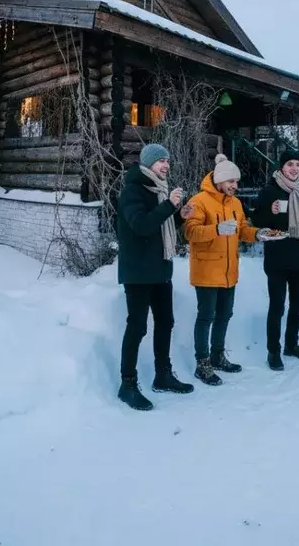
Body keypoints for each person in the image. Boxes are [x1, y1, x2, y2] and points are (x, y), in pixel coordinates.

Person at [184, 154, 276, 385]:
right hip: (206, 271)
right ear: (220, 180)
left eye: (236, 182)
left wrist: (257, 234)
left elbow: (242, 229)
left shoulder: (235, 204)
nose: (235, 186)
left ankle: (217, 356)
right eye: (231, 182)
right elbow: (190, 233)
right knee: (206, 317)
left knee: (224, 315)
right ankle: (202, 363)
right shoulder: (199, 201)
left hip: (229, 271)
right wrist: (216, 229)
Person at [116, 143, 194, 411]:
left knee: (166, 322)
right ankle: (127, 384)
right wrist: (169, 207)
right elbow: (141, 226)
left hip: (160, 269)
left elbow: (162, 227)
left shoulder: (159, 190)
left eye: (167, 161)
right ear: (147, 164)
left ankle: (163, 375)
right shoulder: (133, 191)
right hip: (138, 273)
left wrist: (179, 216)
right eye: (160, 161)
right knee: (137, 327)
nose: (166, 165)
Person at [252, 150, 299, 371]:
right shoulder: (270, 191)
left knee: (298, 304)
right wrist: (270, 210)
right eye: (290, 164)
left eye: (297, 164)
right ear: (281, 167)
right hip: (277, 259)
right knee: (277, 307)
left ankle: (291, 344)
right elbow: (256, 219)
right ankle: (273, 351)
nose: (294, 168)